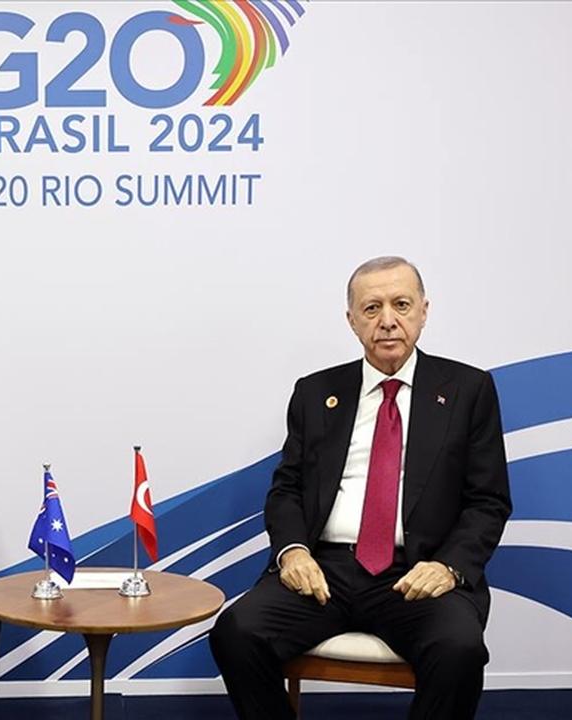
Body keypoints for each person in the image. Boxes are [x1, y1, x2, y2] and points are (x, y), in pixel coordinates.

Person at [209, 256, 512, 719]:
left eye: (401, 304)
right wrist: (292, 551)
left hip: (416, 573)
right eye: (371, 308)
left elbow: (488, 501)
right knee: (236, 631)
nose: (387, 320)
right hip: (325, 569)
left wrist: (450, 567)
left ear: (424, 311)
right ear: (351, 320)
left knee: (459, 649)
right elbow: (287, 488)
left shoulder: (468, 389)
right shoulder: (315, 393)